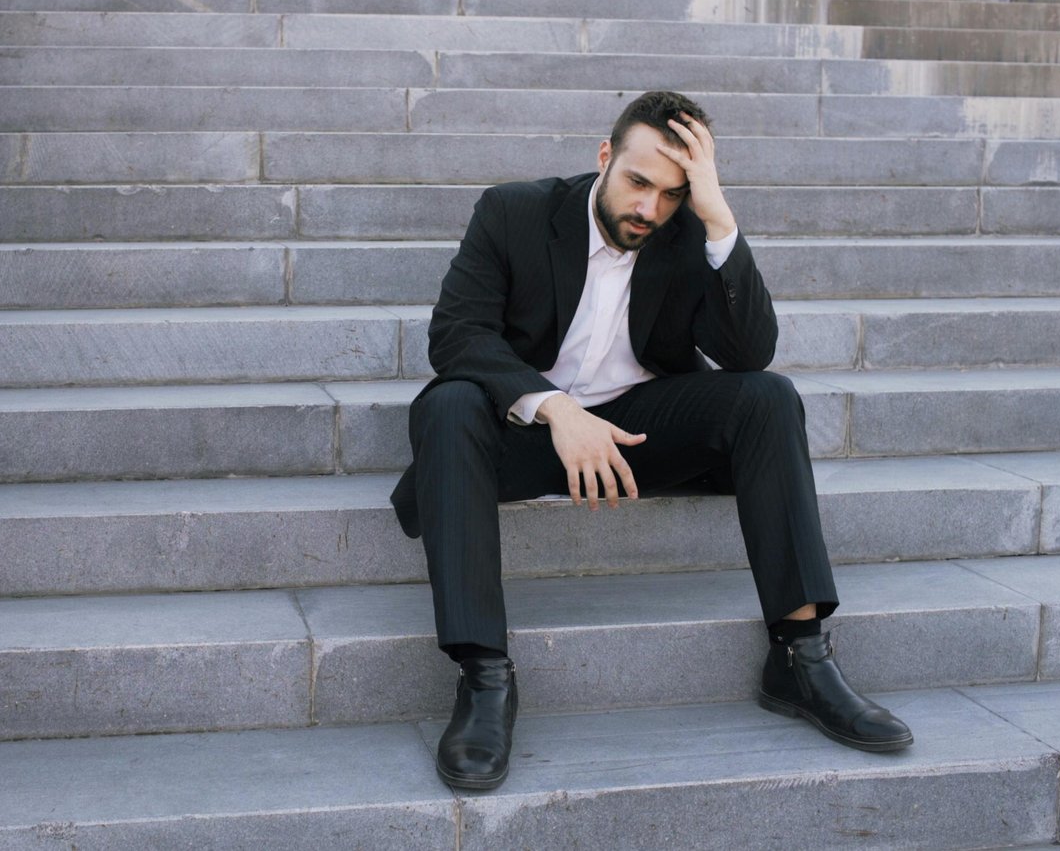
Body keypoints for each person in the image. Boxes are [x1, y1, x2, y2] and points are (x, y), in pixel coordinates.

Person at [390, 90, 913, 791]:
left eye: (672, 194)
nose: (649, 209)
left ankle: (799, 657)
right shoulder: (514, 210)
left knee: (769, 398)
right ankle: (485, 679)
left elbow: (749, 352)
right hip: (520, 434)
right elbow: (455, 336)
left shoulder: (685, 230)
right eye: (639, 182)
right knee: (450, 405)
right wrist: (555, 409)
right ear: (605, 157)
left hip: (635, 430)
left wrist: (717, 216)